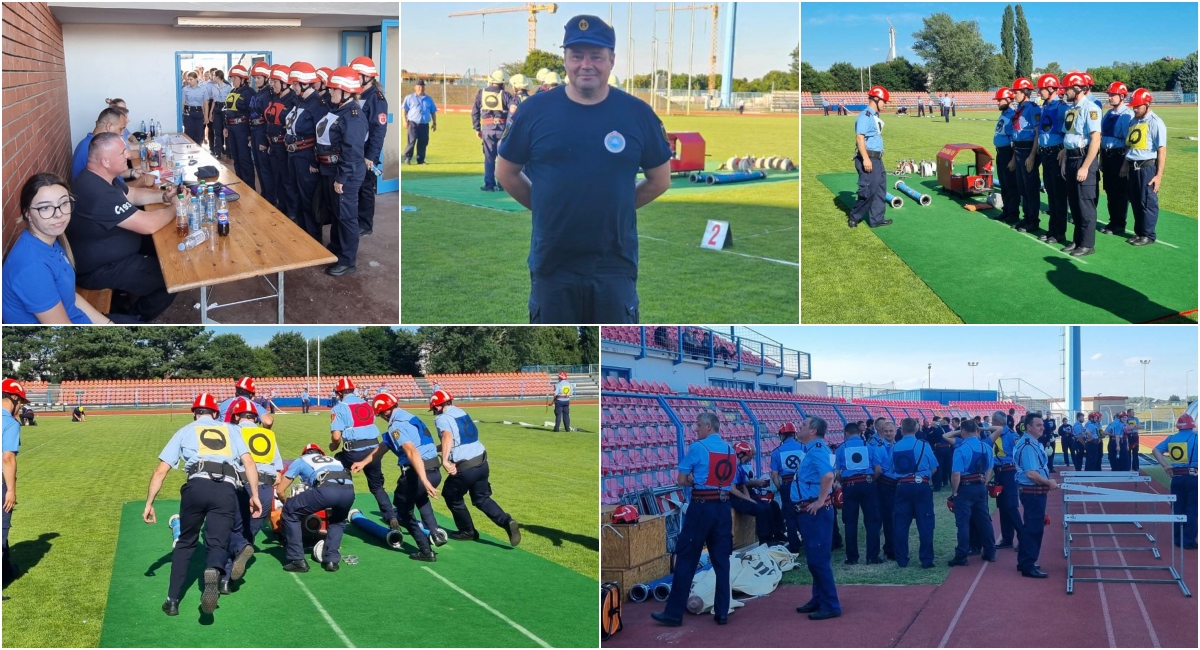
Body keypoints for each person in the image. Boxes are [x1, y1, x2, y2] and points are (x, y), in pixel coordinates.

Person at [496, 15, 672, 324]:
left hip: (613, 264)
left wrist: (616, 205)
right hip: (553, 262)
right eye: (577, 56)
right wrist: (545, 205)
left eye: (596, 56)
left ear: (612, 60)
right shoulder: (534, 111)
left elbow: (659, 180)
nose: (585, 64)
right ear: (565, 59)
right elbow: (506, 172)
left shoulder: (637, 114)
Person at [143, 393, 260, 616]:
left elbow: (161, 470)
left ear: (195, 413)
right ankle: (212, 570)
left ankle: (172, 600)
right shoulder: (232, 429)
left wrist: (150, 502)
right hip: (226, 487)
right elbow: (249, 463)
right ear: (216, 413)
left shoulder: (185, 431)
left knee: (186, 543)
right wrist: (254, 494)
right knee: (218, 542)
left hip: (196, 486)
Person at [66, 133, 178, 322]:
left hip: (115, 249)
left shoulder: (99, 178)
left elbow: (132, 194)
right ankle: (134, 317)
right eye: (122, 152)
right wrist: (176, 208)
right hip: (100, 269)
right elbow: (148, 225)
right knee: (172, 278)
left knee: (168, 248)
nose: (127, 155)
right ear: (106, 162)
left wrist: (164, 197)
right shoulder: (96, 192)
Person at [2, 173, 128, 324]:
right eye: (45, 207)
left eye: (63, 203)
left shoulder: (48, 240)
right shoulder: (32, 267)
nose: (59, 214)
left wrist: (107, 324)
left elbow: (71, 298)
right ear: (28, 213)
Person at [651, 412, 735, 627]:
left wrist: (693, 481)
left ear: (708, 426)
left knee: (686, 558)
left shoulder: (698, 447)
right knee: (722, 561)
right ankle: (722, 611)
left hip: (701, 508)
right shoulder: (730, 450)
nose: (695, 428)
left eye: (698, 425)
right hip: (723, 509)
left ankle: (674, 613)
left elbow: (681, 479)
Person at [350, 393, 444, 562]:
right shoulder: (410, 417)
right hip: (435, 469)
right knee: (421, 499)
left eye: (380, 414)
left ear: (384, 412)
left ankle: (425, 550)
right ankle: (435, 533)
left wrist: (423, 479)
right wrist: (363, 462)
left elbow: (412, 452)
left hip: (418, 472)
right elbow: (383, 447)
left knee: (403, 511)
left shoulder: (396, 426)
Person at [428, 390, 521, 546]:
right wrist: (433, 449)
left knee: (451, 495)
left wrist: (444, 460)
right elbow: (459, 440)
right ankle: (506, 521)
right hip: (481, 461)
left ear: (437, 406)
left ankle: (467, 531)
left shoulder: (442, 418)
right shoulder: (461, 412)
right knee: (481, 498)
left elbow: (447, 437)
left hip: (465, 466)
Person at [222, 397, 281, 592]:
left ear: (237, 416)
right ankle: (229, 577)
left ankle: (225, 578)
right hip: (266, 488)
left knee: (231, 529)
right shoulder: (268, 435)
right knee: (249, 532)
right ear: (255, 417)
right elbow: (278, 470)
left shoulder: (232, 431)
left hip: (242, 485)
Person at [314, 67, 369, 277]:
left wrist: (342, 178)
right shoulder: (339, 109)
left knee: (346, 217)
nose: (330, 93)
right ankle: (337, 249)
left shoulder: (353, 116)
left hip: (345, 173)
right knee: (337, 214)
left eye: (334, 90)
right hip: (332, 170)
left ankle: (347, 260)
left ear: (346, 91)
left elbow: (353, 152)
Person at [328, 377, 399, 530]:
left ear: (339, 393)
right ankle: (391, 516)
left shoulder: (339, 407)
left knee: (339, 469)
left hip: (353, 450)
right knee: (377, 486)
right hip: (374, 449)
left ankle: (338, 513)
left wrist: (333, 446)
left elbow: (336, 437)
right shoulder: (366, 404)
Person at [274, 443, 355, 572]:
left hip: (327, 489)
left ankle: (297, 560)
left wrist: (287, 504)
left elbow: (280, 490)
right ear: (321, 453)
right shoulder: (334, 460)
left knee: (290, 510)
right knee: (337, 521)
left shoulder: (301, 460)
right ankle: (332, 560)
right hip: (349, 491)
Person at [791, 416, 841, 619]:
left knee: (818, 560)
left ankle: (831, 604)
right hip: (811, 512)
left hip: (815, 512)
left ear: (812, 431)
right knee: (815, 559)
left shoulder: (817, 449)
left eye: (802, 425)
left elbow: (828, 476)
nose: (799, 428)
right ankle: (819, 598)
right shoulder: (814, 449)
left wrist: (820, 501)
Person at [1058, 71, 1102, 257]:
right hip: (1071, 158)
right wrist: (1064, 155)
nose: (1064, 91)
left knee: (1085, 203)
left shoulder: (1090, 108)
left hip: (1084, 160)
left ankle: (1087, 244)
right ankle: (1077, 240)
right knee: (1074, 203)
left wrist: (1085, 166)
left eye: (1067, 88)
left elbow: (1095, 140)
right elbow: (1069, 136)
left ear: (1077, 88)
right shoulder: (1071, 109)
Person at [284, 62, 329, 243]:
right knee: (295, 192)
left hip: (306, 156)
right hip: (294, 154)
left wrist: (314, 161)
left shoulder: (318, 104)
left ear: (304, 84)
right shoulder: (300, 100)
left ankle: (313, 238)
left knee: (308, 197)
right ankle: (302, 231)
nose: (293, 87)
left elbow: (322, 136)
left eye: (295, 84)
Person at [947, 419, 997, 566]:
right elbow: (989, 469)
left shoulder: (961, 448)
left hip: (965, 487)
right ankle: (990, 551)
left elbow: (956, 474)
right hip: (980, 486)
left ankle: (961, 555)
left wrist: (955, 492)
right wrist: (984, 483)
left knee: (963, 523)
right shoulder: (986, 447)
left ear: (962, 432)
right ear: (977, 431)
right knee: (984, 521)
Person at [1120, 88, 1166, 246]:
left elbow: (1162, 150)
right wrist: (1125, 165)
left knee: (1148, 202)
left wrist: (1158, 176)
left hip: (1147, 168)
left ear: (1147, 104)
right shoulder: (1134, 121)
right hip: (1133, 167)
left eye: (1137, 106)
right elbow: (1130, 146)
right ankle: (1139, 232)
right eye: (1133, 106)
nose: (1134, 108)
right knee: (1136, 200)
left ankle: (1148, 234)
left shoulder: (1155, 122)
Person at [1014, 413, 1058, 578]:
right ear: (1029, 427)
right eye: (1038, 425)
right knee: (1034, 529)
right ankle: (1028, 565)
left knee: (1030, 527)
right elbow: (1031, 474)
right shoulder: (1028, 446)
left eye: (1042, 425)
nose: (1042, 427)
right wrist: (1049, 483)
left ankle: (1025, 561)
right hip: (1032, 492)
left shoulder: (1032, 443)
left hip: (1034, 492)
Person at [834, 422, 882, 565]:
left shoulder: (841, 448)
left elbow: (837, 473)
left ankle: (852, 557)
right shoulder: (869, 446)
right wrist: (871, 479)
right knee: (872, 521)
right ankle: (872, 556)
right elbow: (878, 469)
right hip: (867, 484)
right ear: (859, 432)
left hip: (850, 485)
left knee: (850, 521)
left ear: (846, 434)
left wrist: (844, 482)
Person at [890, 418, 936, 569]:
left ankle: (902, 559)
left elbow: (892, 470)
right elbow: (934, 467)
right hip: (921, 485)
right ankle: (926, 559)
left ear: (901, 429)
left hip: (902, 486)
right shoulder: (923, 445)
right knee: (925, 523)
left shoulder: (895, 447)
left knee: (901, 524)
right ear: (916, 429)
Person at [351, 56, 387, 238]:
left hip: (366, 154)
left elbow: (378, 131)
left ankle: (365, 224)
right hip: (356, 151)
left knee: (365, 188)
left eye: (356, 75)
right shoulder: (359, 95)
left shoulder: (376, 99)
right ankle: (356, 220)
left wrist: (371, 157)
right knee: (356, 188)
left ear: (366, 76)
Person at [847, 86, 892, 229]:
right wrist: (866, 159)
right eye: (884, 101)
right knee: (868, 190)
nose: (885, 104)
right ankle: (854, 217)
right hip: (869, 158)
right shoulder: (865, 115)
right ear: (877, 99)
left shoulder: (874, 116)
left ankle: (876, 219)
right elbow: (860, 138)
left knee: (880, 189)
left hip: (877, 158)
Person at [1152, 413, 1197, 549]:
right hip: (1193, 477)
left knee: (1177, 509)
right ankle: (1188, 541)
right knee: (1192, 509)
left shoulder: (1171, 438)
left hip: (1176, 478)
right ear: (1192, 425)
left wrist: (1166, 466)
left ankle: (1178, 539)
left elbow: (1155, 450)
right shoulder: (1196, 438)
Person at [1035, 74, 1068, 244]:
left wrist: (1062, 153)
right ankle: (1052, 230)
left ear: (1050, 88)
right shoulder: (1045, 106)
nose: (1039, 92)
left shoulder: (1062, 108)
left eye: (1041, 88)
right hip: (1045, 154)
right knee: (1050, 195)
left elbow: (1068, 132)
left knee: (1058, 196)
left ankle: (1059, 232)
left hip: (1056, 155)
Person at [71, 108, 144, 185]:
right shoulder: (94, 149)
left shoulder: (92, 142)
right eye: (121, 129)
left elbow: (109, 173)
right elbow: (121, 192)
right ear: (109, 127)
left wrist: (132, 172)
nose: (122, 134)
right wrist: (143, 181)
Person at [1098, 81, 1133, 237]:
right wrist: (1101, 159)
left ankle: (1119, 223)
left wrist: (1125, 164)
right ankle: (1113, 220)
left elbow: (1129, 143)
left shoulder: (1128, 115)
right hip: (1107, 156)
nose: (1110, 97)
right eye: (1109, 94)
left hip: (1119, 156)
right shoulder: (1109, 113)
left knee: (1120, 191)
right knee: (1110, 190)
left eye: (1112, 95)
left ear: (1122, 96)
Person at [473, 69, 515, 192]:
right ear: (502, 82)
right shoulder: (505, 95)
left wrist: (477, 128)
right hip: (502, 128)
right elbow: (513, 111)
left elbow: (475, 112)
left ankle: (489, 184)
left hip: (487, 128)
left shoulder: (481, 93)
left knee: (489, 158)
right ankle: (501, 184)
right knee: (502, 158)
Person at [1008, 78, 1042, 234]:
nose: (1014, 95)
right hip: (1019, 149)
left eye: (1016, 92)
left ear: (1025, 92)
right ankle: (1026, 217)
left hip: (1028, 150)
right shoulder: (1019, 108)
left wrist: (1032, 155)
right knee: (1022, 187)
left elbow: (1037, 133)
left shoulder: (1033, 109)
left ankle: (1033, 220)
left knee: (1031, 188)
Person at [263, 64, 297, 219]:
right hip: (274, 144)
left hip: (284, 145)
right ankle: (281, 207)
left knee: (287, 180)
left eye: (275, 82)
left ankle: (291, 213)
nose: (273, 84)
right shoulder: (276, 97)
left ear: (284, 83)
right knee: (277, 177)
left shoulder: (293, 100)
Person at [730, 441, 780, 544]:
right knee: (760, 509)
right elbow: (732, 489)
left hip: (742, 495)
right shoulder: (731, 467)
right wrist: (748, 499)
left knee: (766, 506)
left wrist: (749, 499)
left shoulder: (739, 467)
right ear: (739, 454)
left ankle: (774, 534)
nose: (747, 459)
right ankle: (764, 538)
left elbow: (743, 485)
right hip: (733, 497)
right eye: (746, 457)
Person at [985, 410, 1022, 548]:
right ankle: (1007, 538)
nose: (991, 423)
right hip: (999, 472)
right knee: (1002, 507)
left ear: (998, 422)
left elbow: (1018, 455)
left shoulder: (1012, 436)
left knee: (1011, 506)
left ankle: (1023, 538)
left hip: (1009, 472)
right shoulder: (994, 435)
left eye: (992, 421)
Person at [2, 379, 26, 589]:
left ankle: (6, 571)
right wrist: (11, 489)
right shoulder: (9, 422)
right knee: (2, 529)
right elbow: (8, 457)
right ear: (14, 398)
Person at [770, 421, 805, 553]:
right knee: (804, 511)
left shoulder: (777, 451)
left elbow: (774, 474)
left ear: (782, 435)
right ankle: (808, 540)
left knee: (789, 516)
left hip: (787, 483)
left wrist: (780, 487)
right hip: (802, 484)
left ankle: (794, 546)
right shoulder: (803, 447)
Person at [248, 62, 277, 208]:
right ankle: (265, 193)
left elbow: (268, 119)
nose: (256, 80)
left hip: (261, 131)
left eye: (259, 77)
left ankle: (270, 197)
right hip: (254, 130)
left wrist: (265, 140)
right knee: (258, 165)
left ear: (266, 78)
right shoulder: (259, 93)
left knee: (265, 167)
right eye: (255, 77)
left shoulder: (268, 95)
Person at [221, 65, 254, 183]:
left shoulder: (249, 92)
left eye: (235, 78)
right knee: (236, 158)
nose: (233, 81)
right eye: (232, 78)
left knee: (244, 159)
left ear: (243, 79)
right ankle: (241, 184)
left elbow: (252, 113)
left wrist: (250, 134)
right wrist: (226, 126)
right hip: (232, 129)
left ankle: (249, 187)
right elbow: (228, 110)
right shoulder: (232, 91)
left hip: (243, 129)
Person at [871, 418, 898, 559]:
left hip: (898, 485)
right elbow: (878, 470)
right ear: (881, 432)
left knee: (897, 518)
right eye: (886, 431)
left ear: (896, 431)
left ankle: (893, 546)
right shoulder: (879, 448)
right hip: (885, 485)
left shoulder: (899, 446)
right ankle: (890, 549)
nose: (888, 433)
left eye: (891, 431)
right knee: (888, 518)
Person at [402, 80, 437, 165]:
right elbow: (404, 110)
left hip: (424, 124)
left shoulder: (429, 99)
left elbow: (433, 112)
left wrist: (435, 123)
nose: (421, 88)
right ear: (415, 87)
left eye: (422, 86)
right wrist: (404, 121)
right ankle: (408, 158)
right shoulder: (409, 98)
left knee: (423, 142)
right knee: (411, 141)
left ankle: (420, 160)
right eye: (419, 86)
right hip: (413, 123)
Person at [205, 70, 230, 157]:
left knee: (226, 130)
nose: (212, 77)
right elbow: (214, 101)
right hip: (217, 109)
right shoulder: (214, 87)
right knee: (217, 131)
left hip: (225, 109)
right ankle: (218, 152)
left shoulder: (227, 87)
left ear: (218, 77)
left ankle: (228, 151)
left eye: (214, 76)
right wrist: (211, 113)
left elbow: (230, 101)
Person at [181, 71, 207, 145]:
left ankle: (198, 152)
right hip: (188, 113)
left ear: (196, 79)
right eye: (188, 79)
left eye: (191, 79)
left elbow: (205, 103)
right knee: (188, 134)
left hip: (199, 113)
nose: (189, 81)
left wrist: (206, 116)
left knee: (198, 135)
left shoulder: (203, 89)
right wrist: (181, 115)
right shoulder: (185, 89)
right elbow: (183, 102)